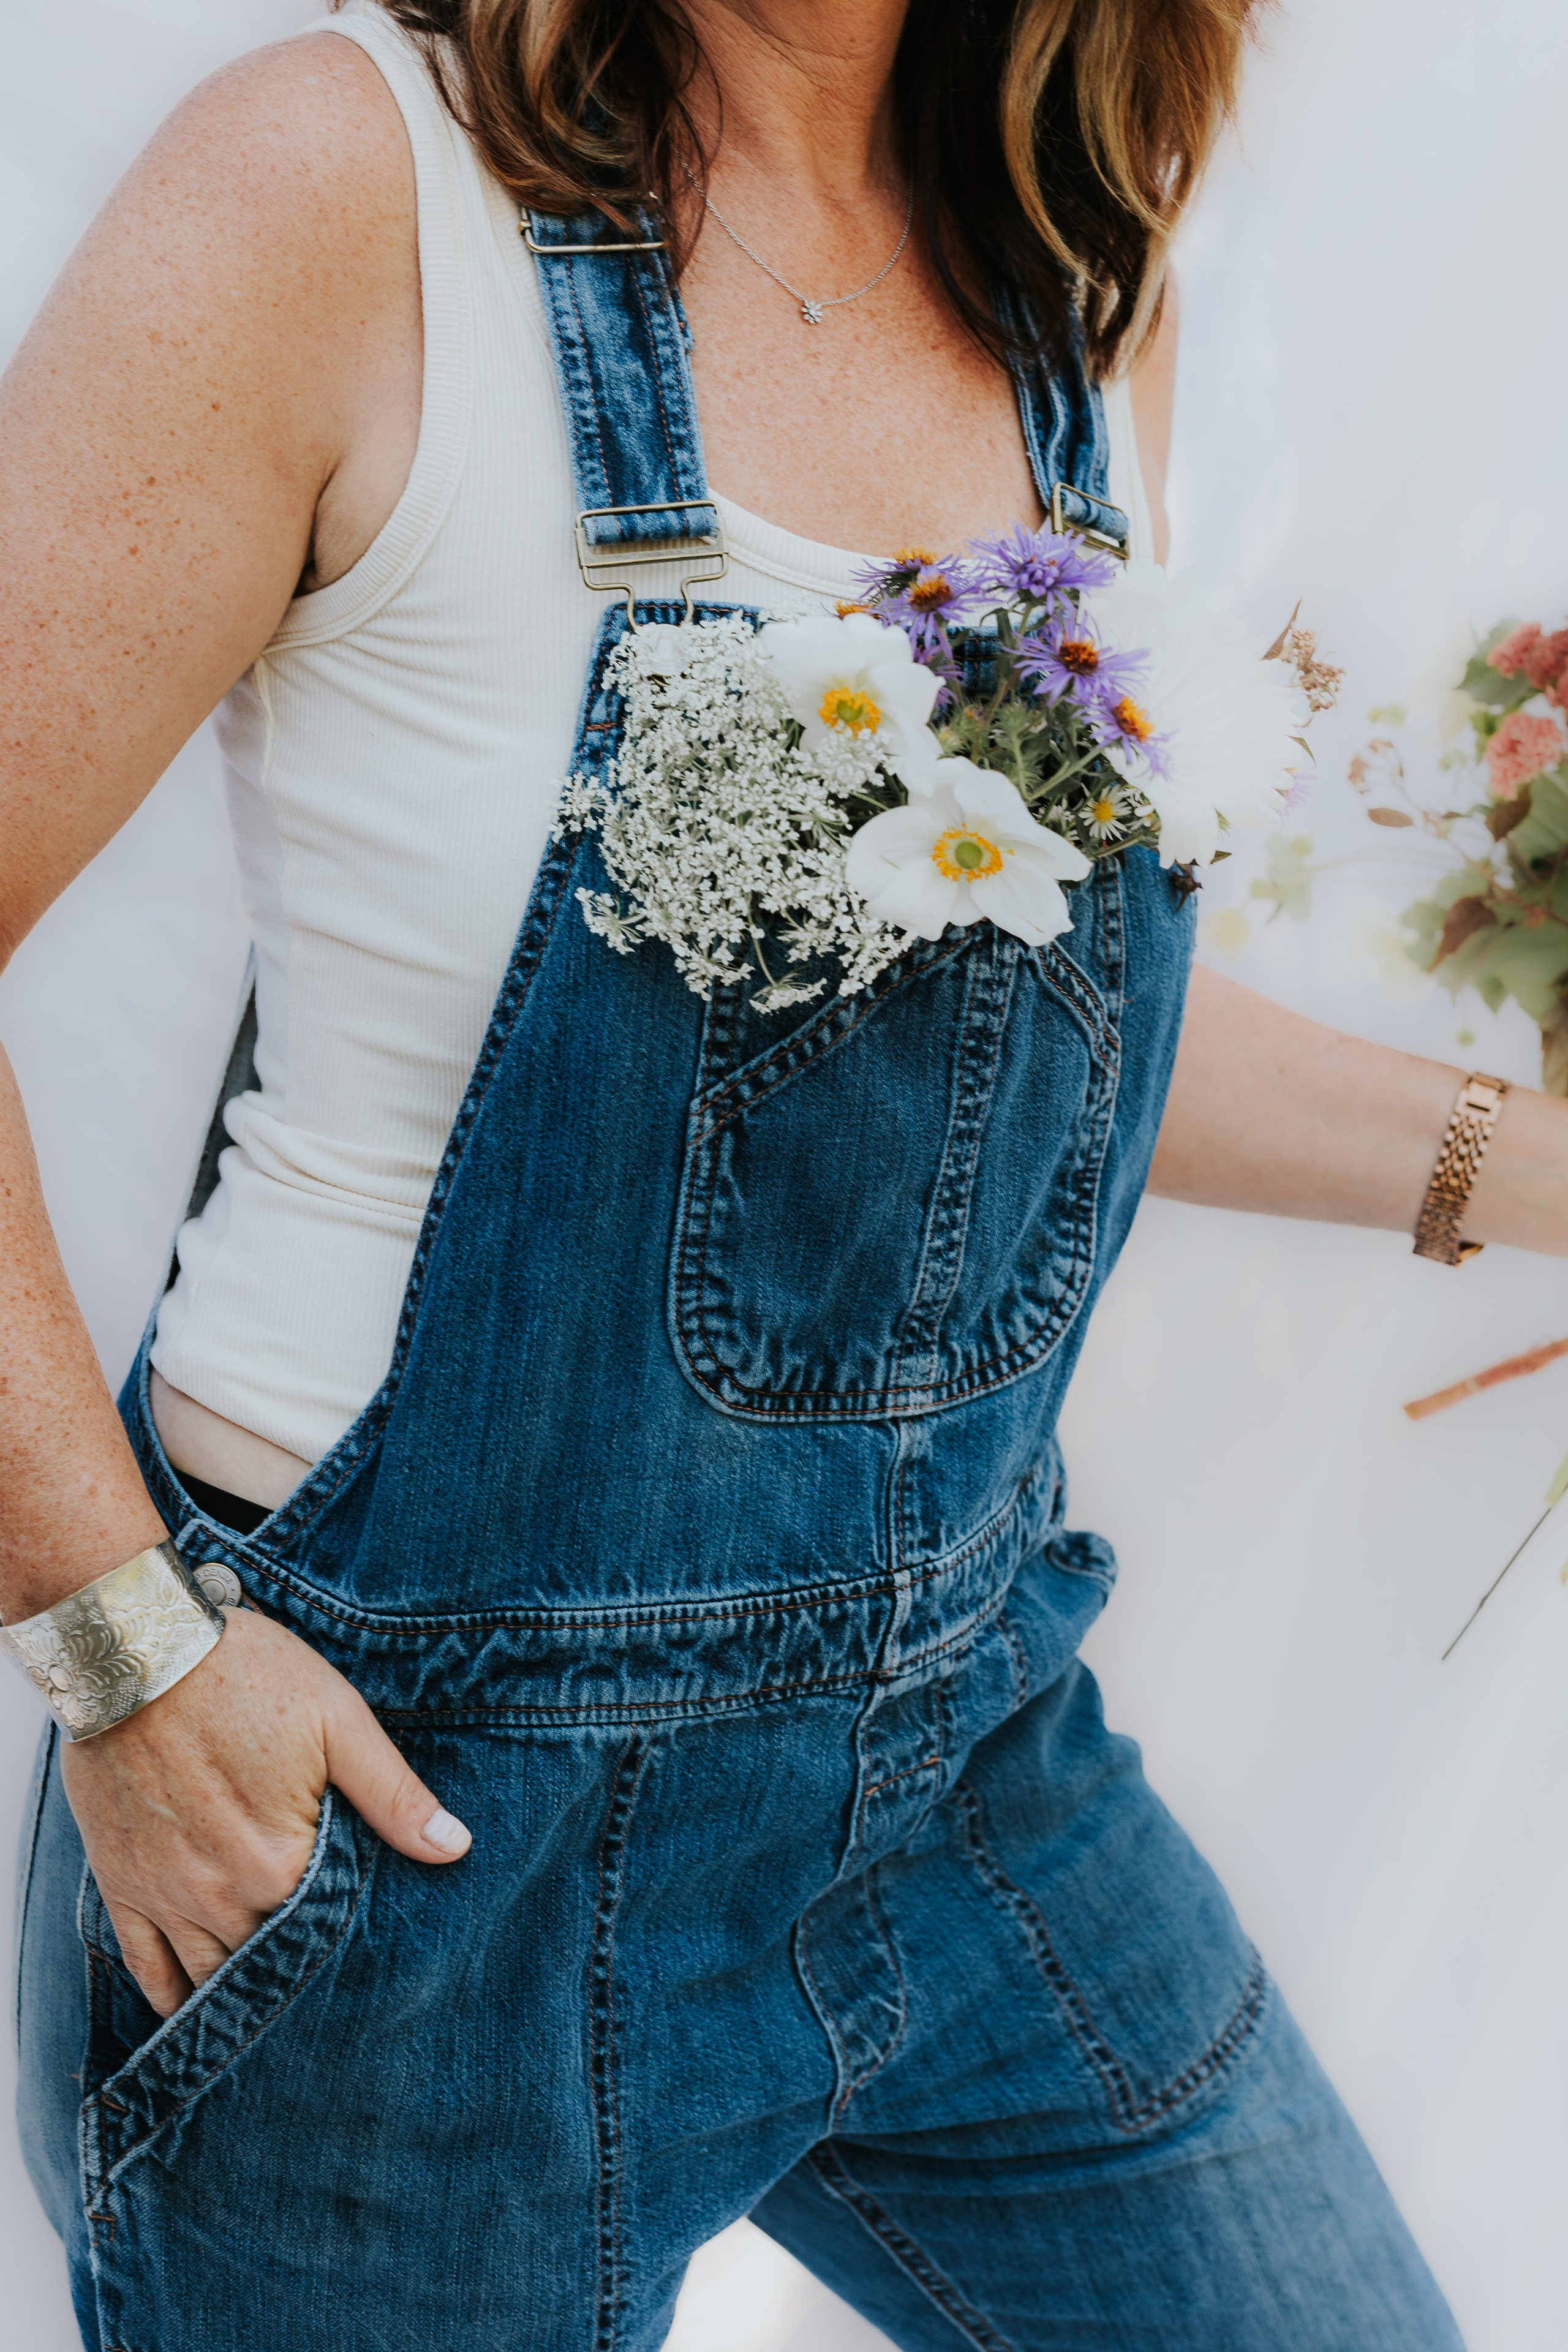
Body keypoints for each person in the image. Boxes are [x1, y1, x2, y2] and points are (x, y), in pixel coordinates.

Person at [2, 2, 1559, 2343]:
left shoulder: (1070, 286)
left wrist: (1520, 1167)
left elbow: (1017, 1001)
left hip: (964, 1745)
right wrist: (122, 1654)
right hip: (413, 1814)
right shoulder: (336, 189)